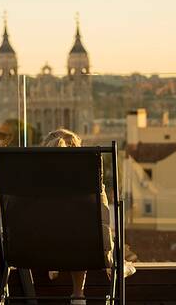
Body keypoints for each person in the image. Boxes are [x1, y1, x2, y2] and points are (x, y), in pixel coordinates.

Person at [42, 129, 135, 305]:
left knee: (68, 232)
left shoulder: (34, 183)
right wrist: (112, 253)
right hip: (86, 249)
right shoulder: (90, 184)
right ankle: (78, 294)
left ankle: (54, 265)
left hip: (40, 251)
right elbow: (103, 222)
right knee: (81, 233)